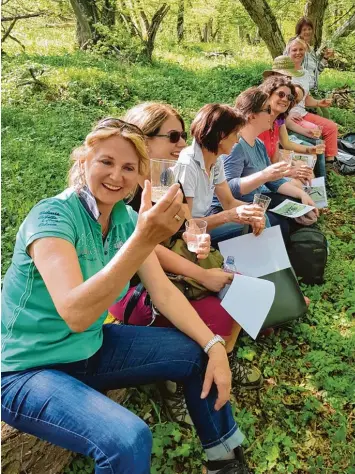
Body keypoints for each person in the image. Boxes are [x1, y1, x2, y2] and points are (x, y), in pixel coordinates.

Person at [1, 118, 254, 474]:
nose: (116, 176)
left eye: (129, 168)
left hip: (89, 349)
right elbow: (75, 314)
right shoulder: (53, 218)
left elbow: (163, 292)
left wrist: (214, 345)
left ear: (140, 177)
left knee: (197, 350)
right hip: (27, 369)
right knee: (128, 439)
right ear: (83, 162)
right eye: (106, 162)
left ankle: (225, 460)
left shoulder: (123, 218)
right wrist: (143, 238)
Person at [107, 103, 263, 408]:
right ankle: (174, 379)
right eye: (174, 135)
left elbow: (185, 229)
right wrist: (202, 273)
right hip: (134, 289)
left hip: (167, 276)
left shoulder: (166, 180)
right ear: (141, 139)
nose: (183, 142)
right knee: (227, 310)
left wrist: (197, 242)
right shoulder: (122, 192)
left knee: (242, 290)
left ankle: (220, 356)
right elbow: (145, 251)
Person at [209, 87, 317, 240]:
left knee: (299, 206)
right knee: (280, 223)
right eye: (267, 109)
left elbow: (274, 181)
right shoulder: (236, 146)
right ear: (252, 116)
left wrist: (302, 194)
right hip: (234, 208)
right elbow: (230, 188)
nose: (272, 113)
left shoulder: (258, 143)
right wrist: (264, 175)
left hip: (256, 201)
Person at [176, 103, 266, 248]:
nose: (237, 141)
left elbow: (229, 202)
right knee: (242, 226)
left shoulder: (215, 160)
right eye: (235, 134)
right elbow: (186, 224)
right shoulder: (188, 165)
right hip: (188, 234)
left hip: (205, 222)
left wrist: (253, 211)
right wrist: (228, 216)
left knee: (259, 216)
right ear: (221, 135)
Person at [285, 37, 338, 172]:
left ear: (305, 52)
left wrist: (320, 102)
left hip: (303, 113)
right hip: (290, 116)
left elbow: (306, 98)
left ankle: (330, 164)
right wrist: (288, 114)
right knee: (316, 130)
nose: (298, 52)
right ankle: (317, 169)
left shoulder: (305, 73)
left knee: (331, 127)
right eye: (294, 50)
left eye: (301, 49)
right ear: (288, 52)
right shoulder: (283, 73)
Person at [258, 76, 326, 179]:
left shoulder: (278, 119)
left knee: (306, 171)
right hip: (260, 174)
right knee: (302, 176)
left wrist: (309, 150)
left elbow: (284, 145)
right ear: (269, 94)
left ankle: (320, 184)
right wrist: (288, 171)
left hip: (269, 168)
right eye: (281, 94)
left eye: (290, 98)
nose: (286, 99)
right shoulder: (257, 120)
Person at [286, 16, 334, 116]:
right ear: (299, 31)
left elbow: (317, 71)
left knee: (326, 114)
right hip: (302, 90)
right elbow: (285, 64)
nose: (307, 32)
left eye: (309, 29)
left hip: (313, 89)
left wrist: (325, 58)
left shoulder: (310, 49)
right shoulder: (294, 45)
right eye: (304, 29)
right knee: (320, 116)